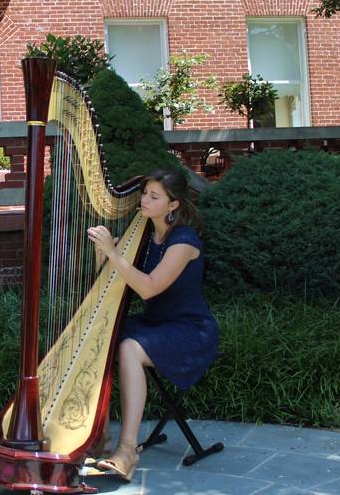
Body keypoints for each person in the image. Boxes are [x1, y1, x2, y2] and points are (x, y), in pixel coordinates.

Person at [85, 169, 219, 482]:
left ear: (173, 205)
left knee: (129, 348)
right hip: (154, 322)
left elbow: (148, 288)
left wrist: (114, 253)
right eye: (144, 193)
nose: (144, 200)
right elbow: (113, 280)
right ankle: (97, 432)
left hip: (189, 330)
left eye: (154, 196)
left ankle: (127, 450)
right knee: (100, 332)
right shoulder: (144, 236)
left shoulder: (184, 241)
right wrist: (103, 254)